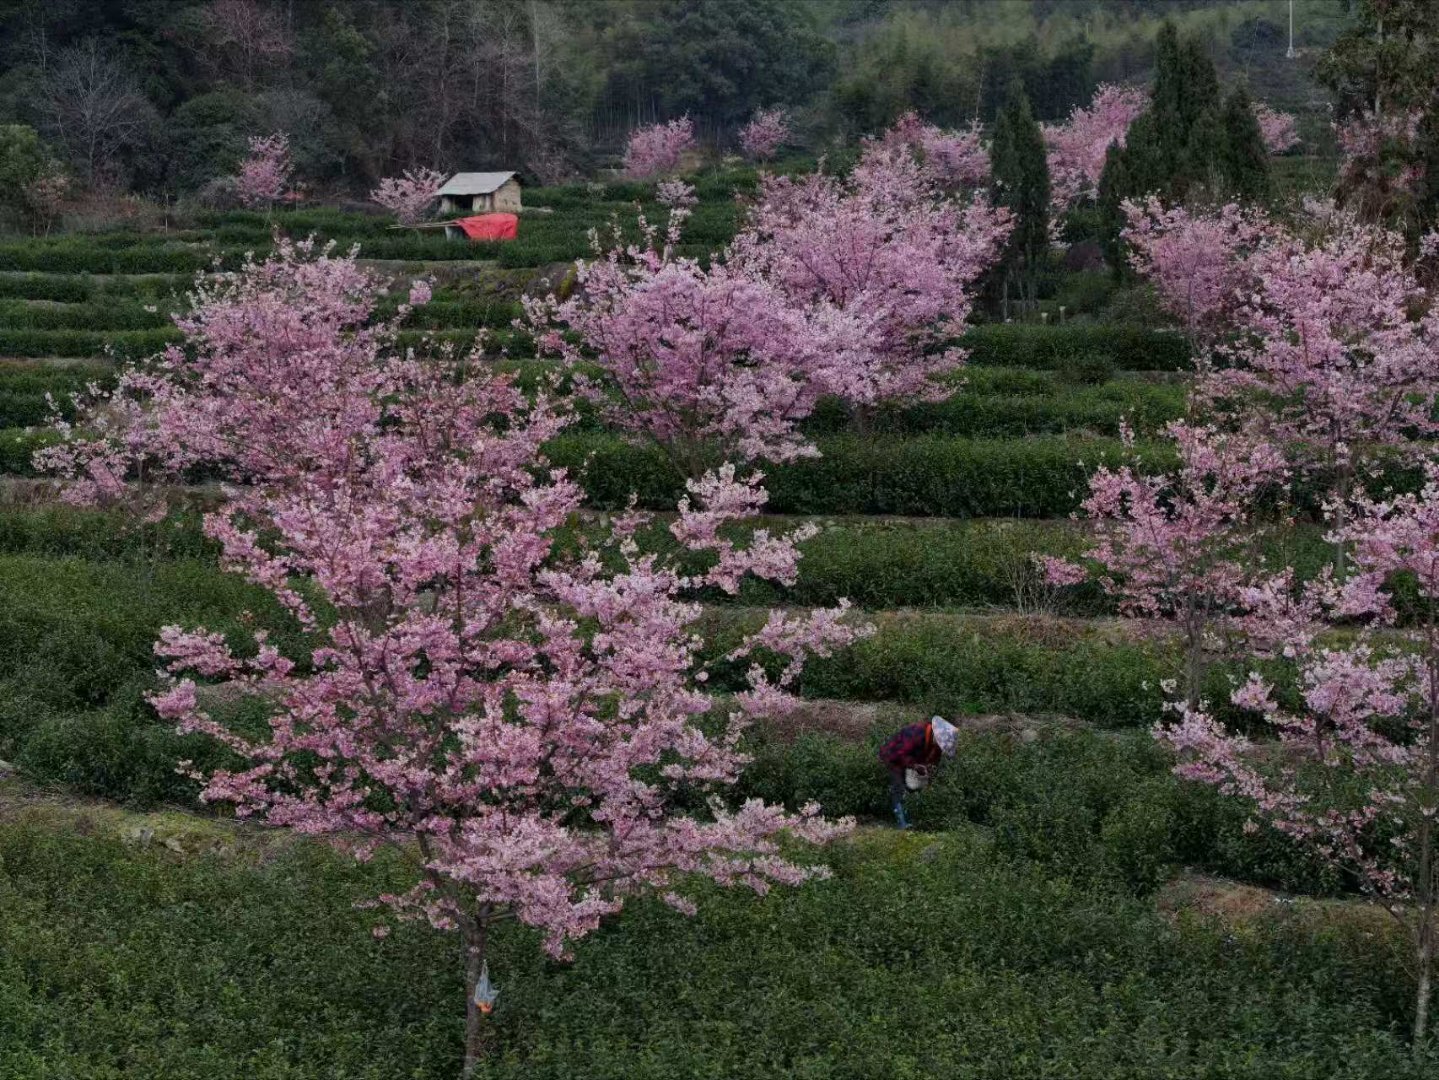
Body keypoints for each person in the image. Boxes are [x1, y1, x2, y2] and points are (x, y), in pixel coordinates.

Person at [877, 715, 958, 829]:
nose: (940, 746)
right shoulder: (916, 733)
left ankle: (913, 821)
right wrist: (915, 766)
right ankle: (903, 825)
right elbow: (901, 753)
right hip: (894, 757)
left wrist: (929, 773)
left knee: (915, 790)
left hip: (911, 760)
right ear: (937, 735)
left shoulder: (936, 744)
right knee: (899, 788)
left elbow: (934, 762)